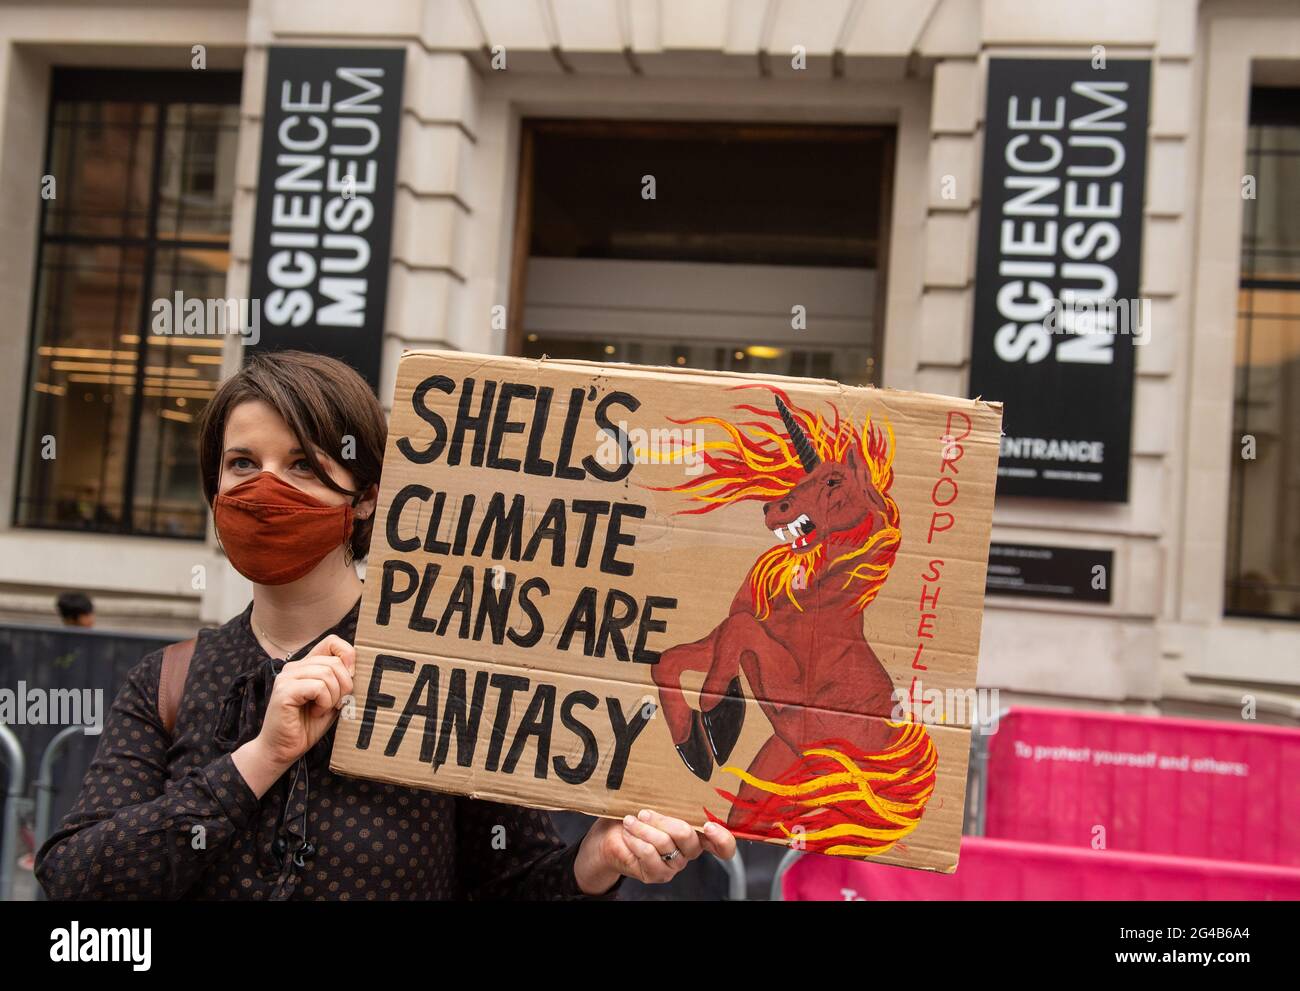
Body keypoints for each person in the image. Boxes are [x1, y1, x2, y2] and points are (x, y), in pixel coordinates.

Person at [35, 350, 735, 900]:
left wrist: (594, 861)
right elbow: (74, 878)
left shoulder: (451, 666)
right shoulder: (166, 682)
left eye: (304, 465)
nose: (265, 488)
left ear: (368, 497)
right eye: (242, 463)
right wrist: (257, 761)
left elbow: (511, 884)